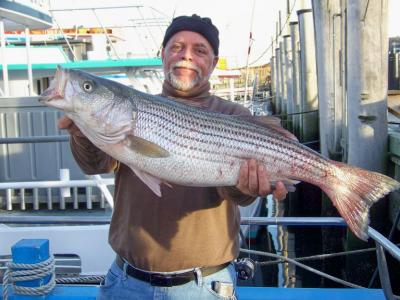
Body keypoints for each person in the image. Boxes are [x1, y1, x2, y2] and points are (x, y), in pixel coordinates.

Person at [59, 14, 288, 300]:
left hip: (204, 285)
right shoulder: (131, 108)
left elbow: (240, 197)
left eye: (200, 50)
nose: (186, 56)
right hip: (126, 280)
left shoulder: (234, 116)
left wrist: (246, 188)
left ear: (214, 62)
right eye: (176, 47)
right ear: (163, 55)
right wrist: (82, 132)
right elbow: (94, 164)